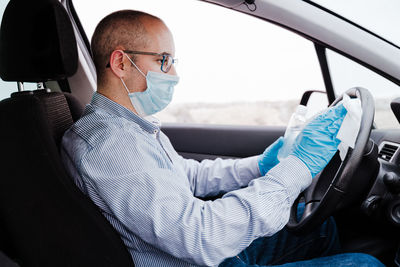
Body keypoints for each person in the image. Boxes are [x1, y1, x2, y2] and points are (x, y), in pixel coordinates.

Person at [60, 10, 384, 267]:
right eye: (163, 60)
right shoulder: (111, 145)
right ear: (120, 62)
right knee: (364, 264)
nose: (173, 74)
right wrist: (298, 166)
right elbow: (203, 237)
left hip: (199, 254)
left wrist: (261, 165)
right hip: (198, 256)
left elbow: (188, 176)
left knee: (320, 227)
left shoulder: (127, 129)